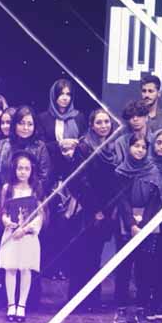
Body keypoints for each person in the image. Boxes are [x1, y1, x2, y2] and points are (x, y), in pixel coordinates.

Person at [68, 109, 121, 312]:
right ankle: (77, 301)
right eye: (99, 122)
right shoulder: (83, 147)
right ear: (91, 125)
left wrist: (107, 209)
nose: (103, 126)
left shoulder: (114, 147)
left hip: (107, 210)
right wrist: (95, 209)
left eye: (106, 121)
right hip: (87, 210)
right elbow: (78, 182)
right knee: (81, 255)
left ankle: (92, 300)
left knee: (95, 256)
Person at [111, 135, 162, 323]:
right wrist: (132, 224)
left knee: (145, 268)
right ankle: (121, 309)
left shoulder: (153, 171)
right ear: (129, 147)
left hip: (148, 224)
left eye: (143, 147)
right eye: (136, 146)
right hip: (126, 223)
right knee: (124, 267)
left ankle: (141, 309)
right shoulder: (120, 171)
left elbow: (155, 200)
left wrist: (144, 226)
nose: (140, 150)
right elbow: (122, 199)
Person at [0, 151, 43, 323]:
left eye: (26, 169)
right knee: (10, 268)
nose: (23, 172)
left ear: (31, 170)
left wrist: (26, 229)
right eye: (20, 168)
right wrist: (6, 221)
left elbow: (40, 214)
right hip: (11, 234)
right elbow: (3, 211)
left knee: (25, 269)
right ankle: (11, 304)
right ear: (14, 169)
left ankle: (21, 305)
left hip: (27, 235)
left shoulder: (35, 189)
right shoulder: (7, 188)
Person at [0, 106, 52, 194]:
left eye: (30, 124)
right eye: (21, 123)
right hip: (3, 196)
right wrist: (3, 193)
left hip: (31, 197)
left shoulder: (40, 147)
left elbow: (44, 177)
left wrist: (30, 194)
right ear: (14, 124)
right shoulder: (3, 144)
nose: (25, 128)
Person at [36, 78, 88, 146]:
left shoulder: (79, 116)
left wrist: (75, 145)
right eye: (61, 94)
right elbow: (41, 145)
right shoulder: (43, 118)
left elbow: (85, 141)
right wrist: (60, 144)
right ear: (54, 95)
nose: (65, 98)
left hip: (76, 152)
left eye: (68, 94)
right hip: (52, 153)